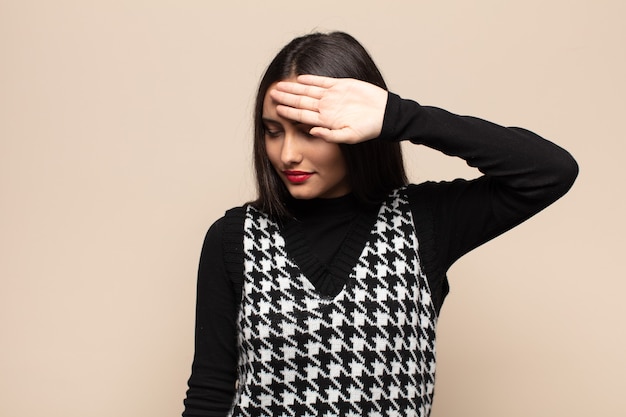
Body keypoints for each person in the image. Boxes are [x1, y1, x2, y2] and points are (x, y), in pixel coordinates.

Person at [182, 31, 578, 417]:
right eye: (273, 131)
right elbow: (209, 393)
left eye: (309, 131)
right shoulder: (233, 238)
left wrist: (399, 116)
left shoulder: (425, 222)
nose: (287, 153)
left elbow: (550, 171)